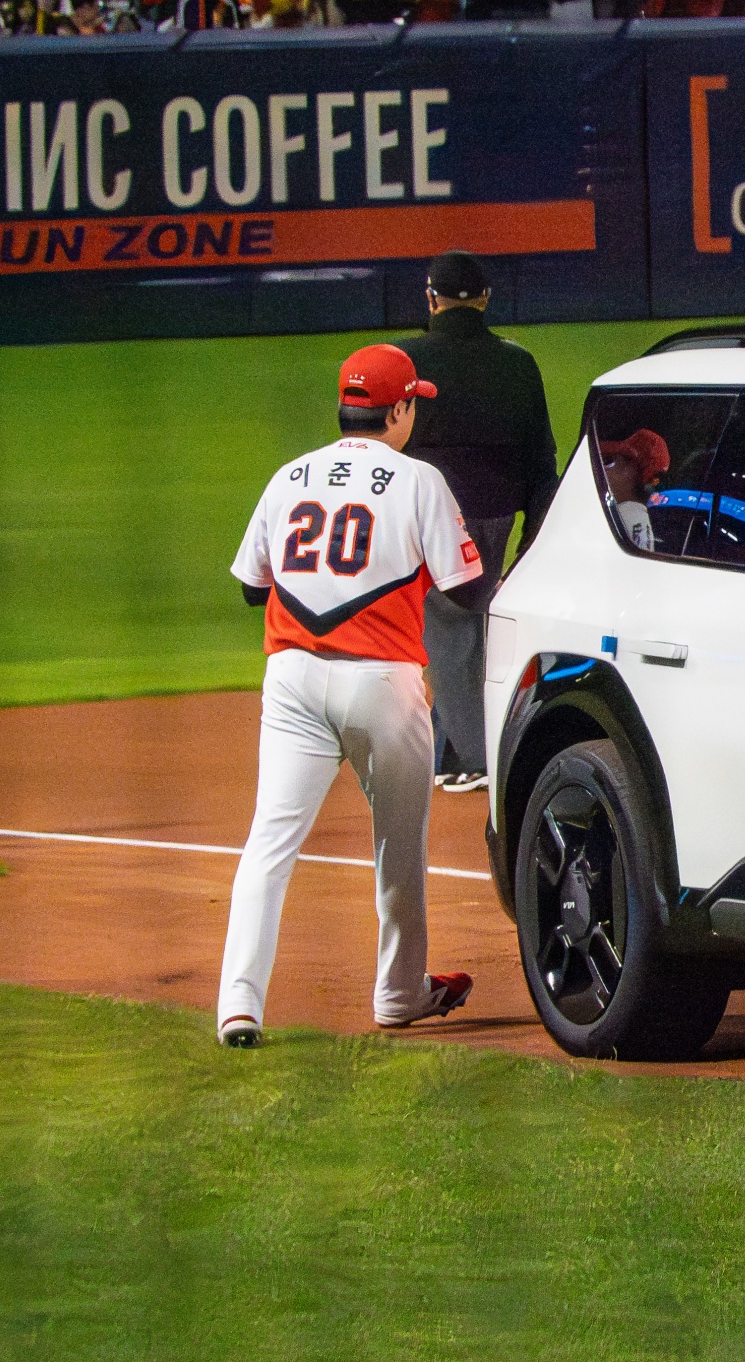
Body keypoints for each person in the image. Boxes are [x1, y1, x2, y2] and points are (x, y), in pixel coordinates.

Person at [220, 344, 484, 1047]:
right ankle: (399, 994)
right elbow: (465, 591)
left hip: (292, 680)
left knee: (269, 843)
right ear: (398, 410)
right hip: (382, 685)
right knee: (399, 845)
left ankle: (239, 1005)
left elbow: (251, 587)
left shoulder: (290, 475)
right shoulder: (419, 479)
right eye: (413, 405)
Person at [396, 251, 559, 791]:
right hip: (493, 515)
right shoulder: (518, 362)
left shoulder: (404, 359)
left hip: (423, 514)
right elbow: (541, 459)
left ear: (431, 299)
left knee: (448, 628)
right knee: (472, 623)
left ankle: (473, 756)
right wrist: (532, 541)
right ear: (486, 299)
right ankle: (454, 748)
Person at [599, 428, 669, 550]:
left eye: (607, 461)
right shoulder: (631, 518)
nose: (599, 469)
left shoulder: (621, 521)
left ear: (636, 473)